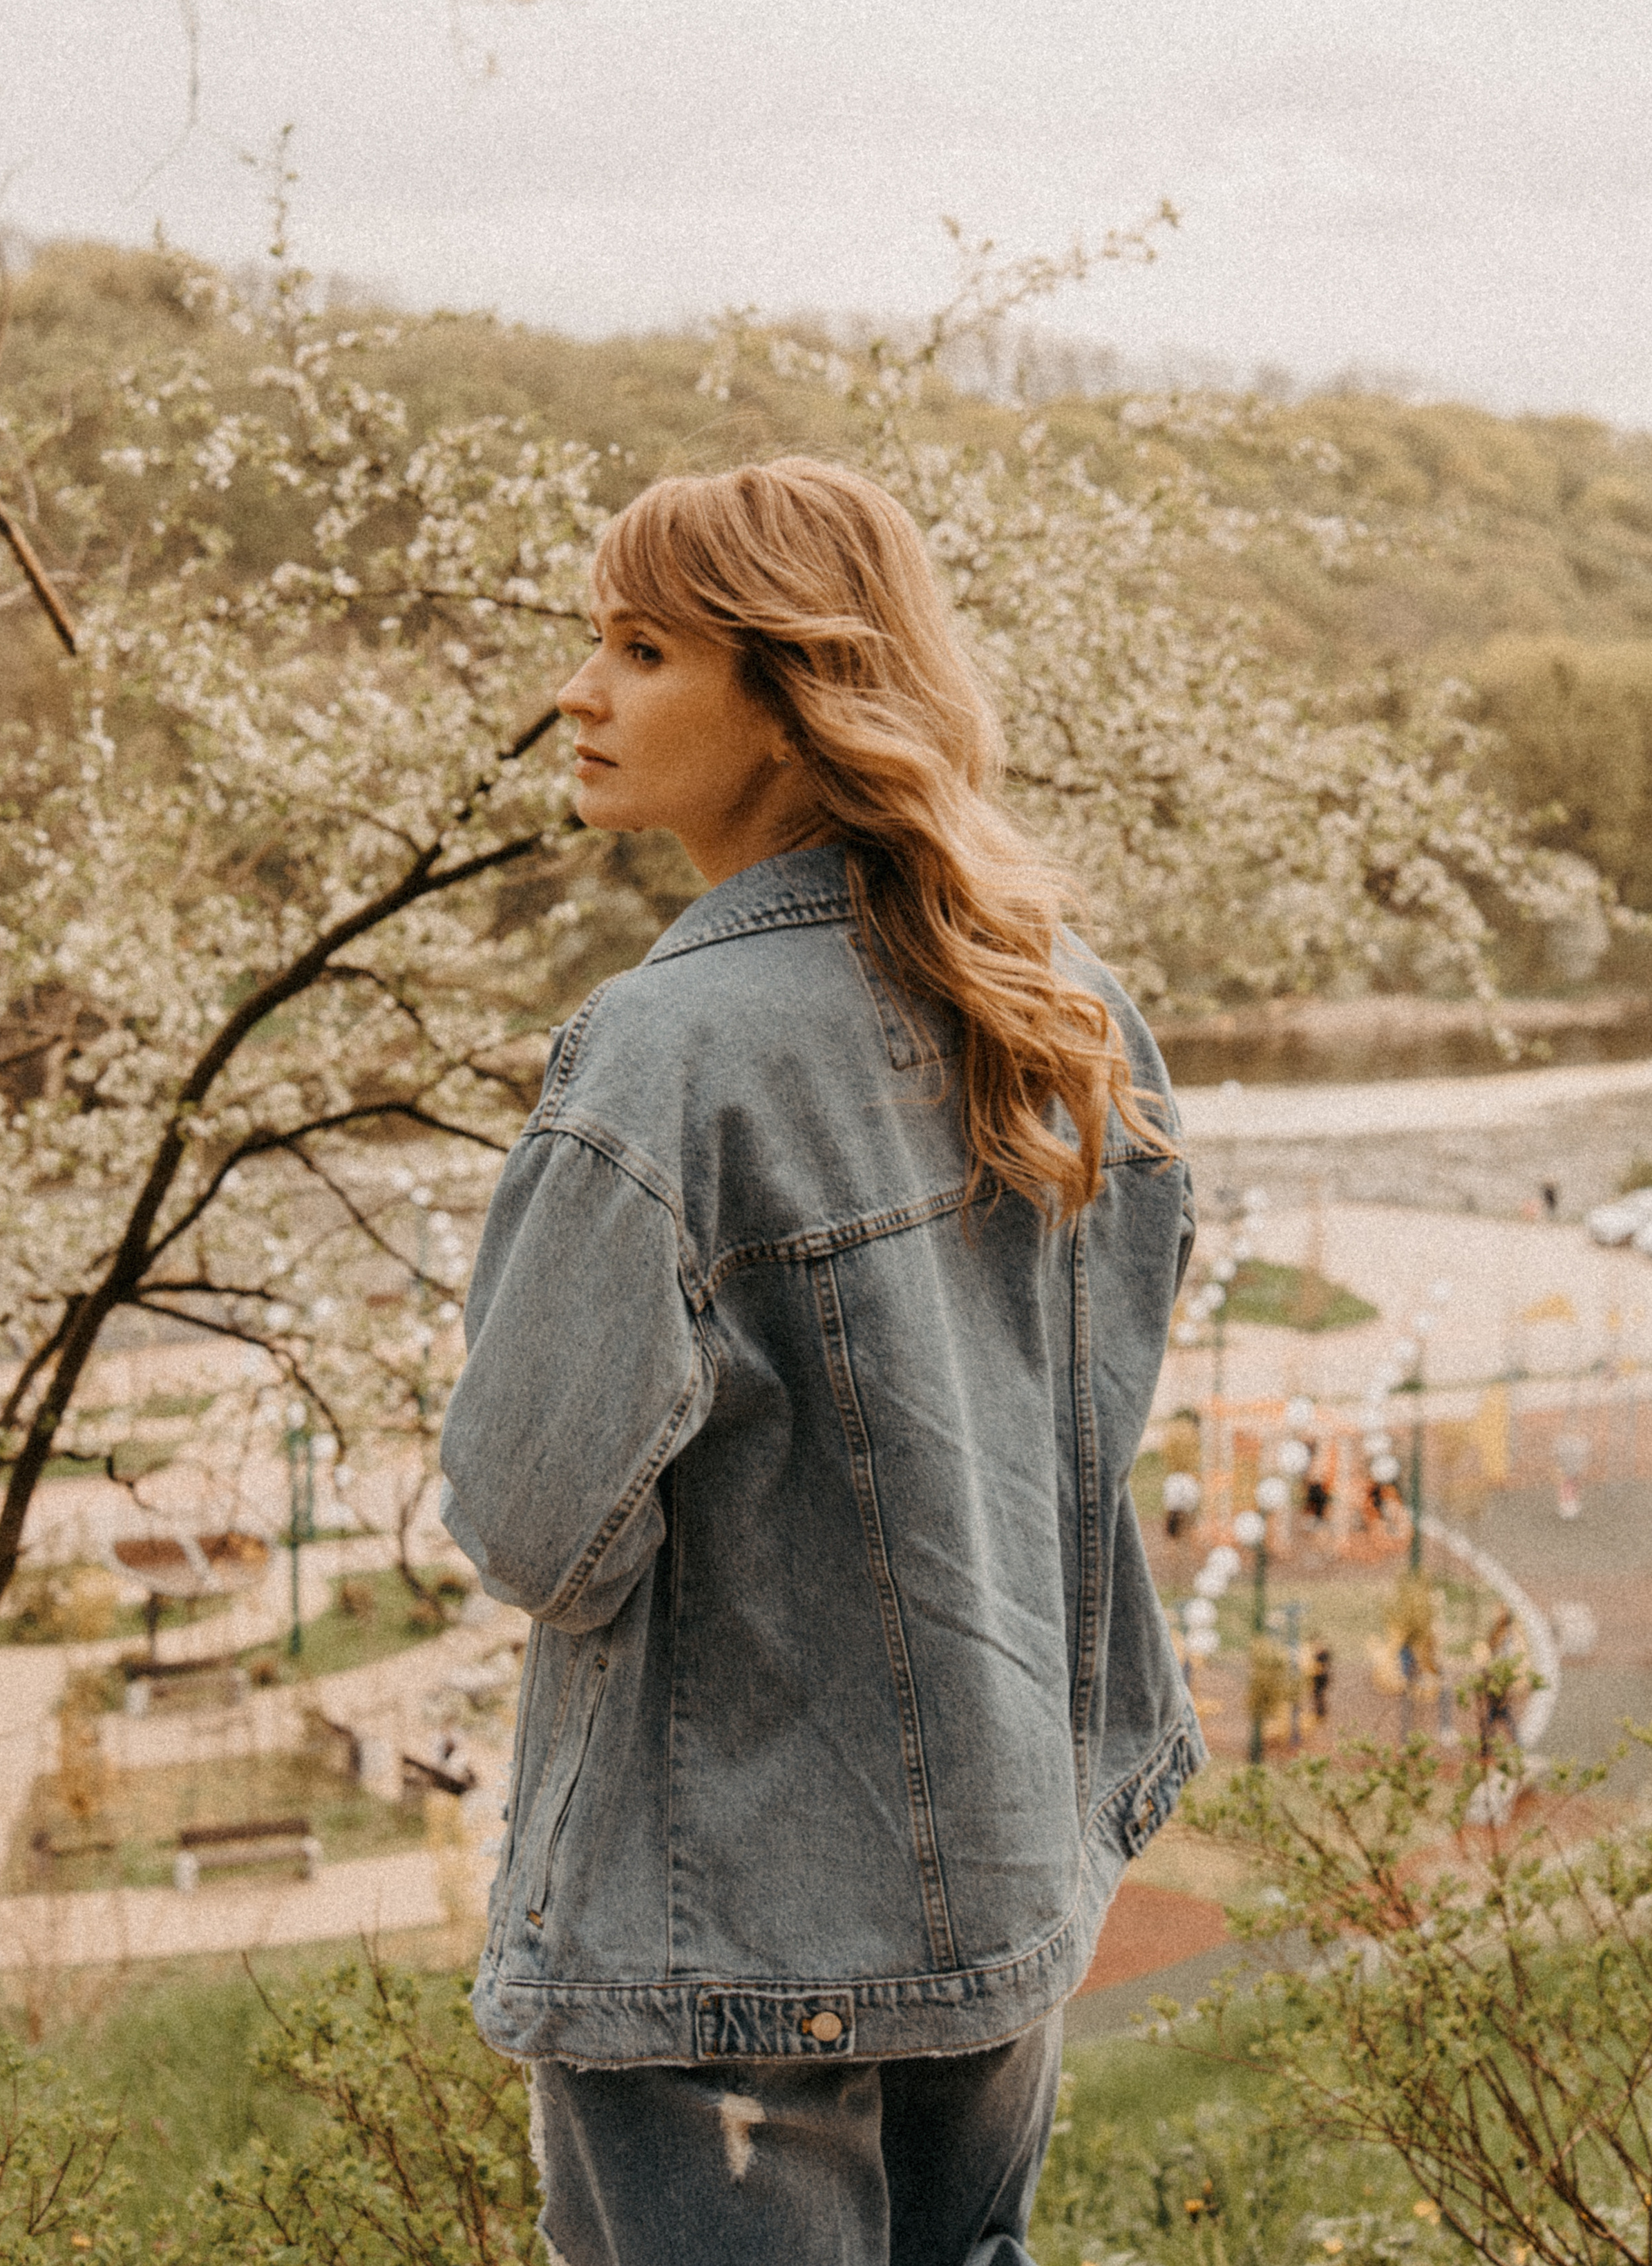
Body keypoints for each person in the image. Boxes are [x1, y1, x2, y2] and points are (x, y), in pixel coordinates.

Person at [439, 460, 1203, 2266]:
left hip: (721, 1946)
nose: (582, 691)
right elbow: (1082, 1415)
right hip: (1000, 1891)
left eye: (642, 649)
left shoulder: (665, 1056)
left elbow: (536, 1521)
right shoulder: (1068, 1011)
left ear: (796, 696)